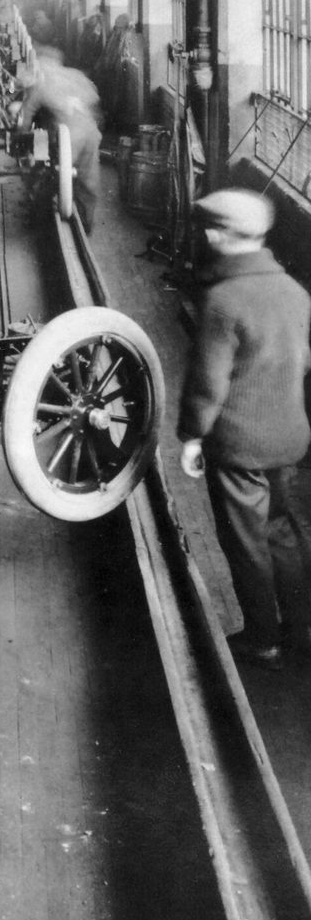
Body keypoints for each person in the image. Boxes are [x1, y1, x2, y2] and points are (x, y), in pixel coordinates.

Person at [179, 189, 311, 670]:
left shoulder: (224, 300)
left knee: (246, 544)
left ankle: (263, 639)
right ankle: (301, 631)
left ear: (219, 234)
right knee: (282, 533)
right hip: (289, 438)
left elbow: (208, 385)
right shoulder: (295, 291)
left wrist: (193, 436)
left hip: (240, 447)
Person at [16, 46, 103, 230]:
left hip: (68, 138)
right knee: (88, 181)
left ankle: (37, 220)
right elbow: (94, 98)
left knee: (43, 173)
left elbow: (26, 116)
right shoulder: (76, 75)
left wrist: (21, 139)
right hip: (90, 132)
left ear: (42, 64)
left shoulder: (41, 82)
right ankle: (85, 225)